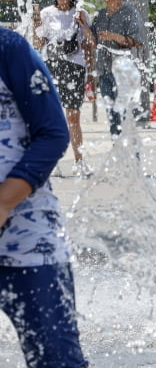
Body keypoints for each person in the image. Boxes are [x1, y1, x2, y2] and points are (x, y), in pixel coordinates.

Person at [0, 27, 88, 368]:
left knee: (57, 359)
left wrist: (6, 201)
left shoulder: (9, 48)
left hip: (30, 245)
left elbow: (52, 132)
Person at [33, 0, 93, 178]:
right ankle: (51, 162)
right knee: (50, 116)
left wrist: (84, 25)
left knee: (73, 116)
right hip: (50, 65)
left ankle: (79, 161)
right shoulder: (46, 13)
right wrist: (36, 26)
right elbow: (38, 44)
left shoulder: (81, 12)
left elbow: (90, 44)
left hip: (74, 67)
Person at [81, 0, 145, 138]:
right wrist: (84, 26)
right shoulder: (100, 15)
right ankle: (118, 155)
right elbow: (94, 43)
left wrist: (113, 36)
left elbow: (137, 41)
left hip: (122, 71)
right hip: (104, 73)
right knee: (113, 120)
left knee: (125, 118)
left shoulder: (129, 12)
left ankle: (132, 160)